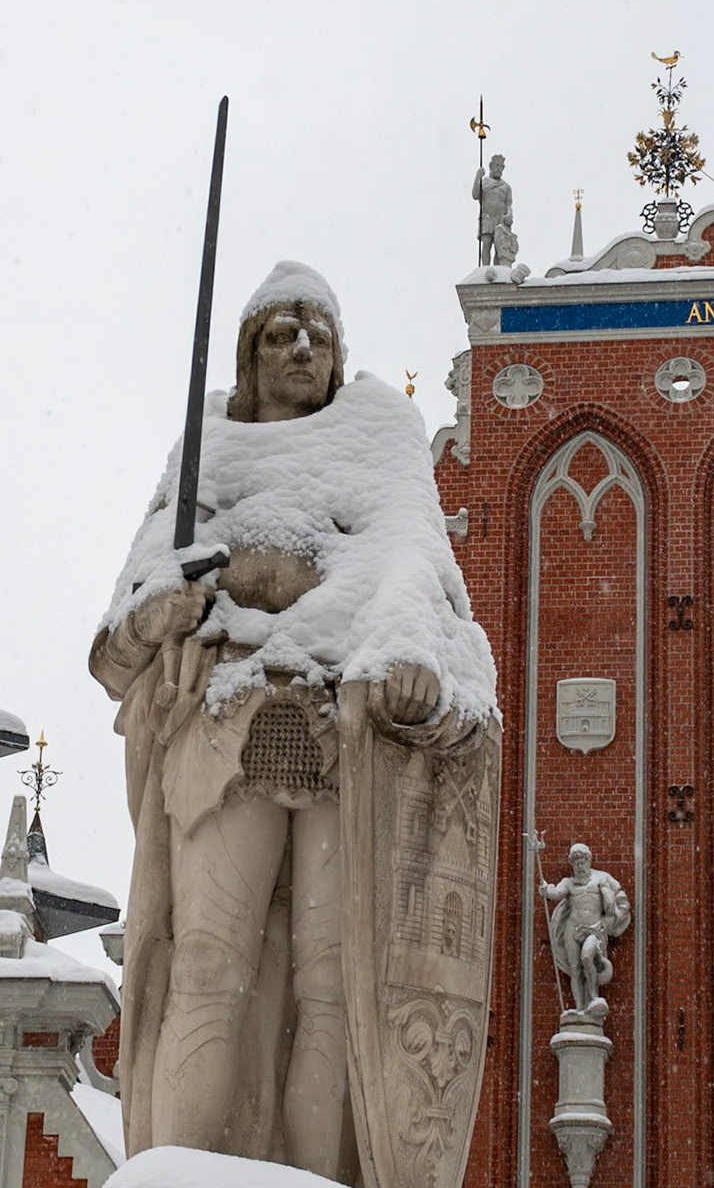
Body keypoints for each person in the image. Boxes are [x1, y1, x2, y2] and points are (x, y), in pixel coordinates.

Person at [92, 261, 497, 1182]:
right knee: (208, 962)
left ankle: (314, 1179)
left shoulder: (378, 437)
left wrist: (406, 654)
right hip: (225, 723)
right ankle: (181, 1172)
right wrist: (160, 611)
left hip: (336, 734)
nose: (302, 348)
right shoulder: (207, 453)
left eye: (317, 333)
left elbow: (413, 570)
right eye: (280, 334)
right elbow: (117, 644)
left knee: (332, 982)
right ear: (250, 355)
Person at [541, 843, 631, 1013]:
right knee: (575, 968)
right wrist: (547, 890)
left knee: (587, 956)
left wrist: (609, 920)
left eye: (582, 863)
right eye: (576, 864)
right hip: (572, 928)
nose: (580, 867)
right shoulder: (568, 883)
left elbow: (620, 903)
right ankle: (580, 1008)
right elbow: (556, 894)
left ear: (588, 861)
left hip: (594, 929)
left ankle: (593, 998)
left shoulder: (602, 878)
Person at [472, 154, 513, 265]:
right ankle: (485, 268)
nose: (498, 169)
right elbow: (475, 195)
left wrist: (509, 214)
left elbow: (508, 204)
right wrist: (478, 177)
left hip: (501, 218)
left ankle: (497, 268)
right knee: (486, 243)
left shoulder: (506, 187)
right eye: (496, 166)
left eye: (501, 166)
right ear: (491, 167)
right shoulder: (484, 182)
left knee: (499, 247)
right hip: (487, 216)